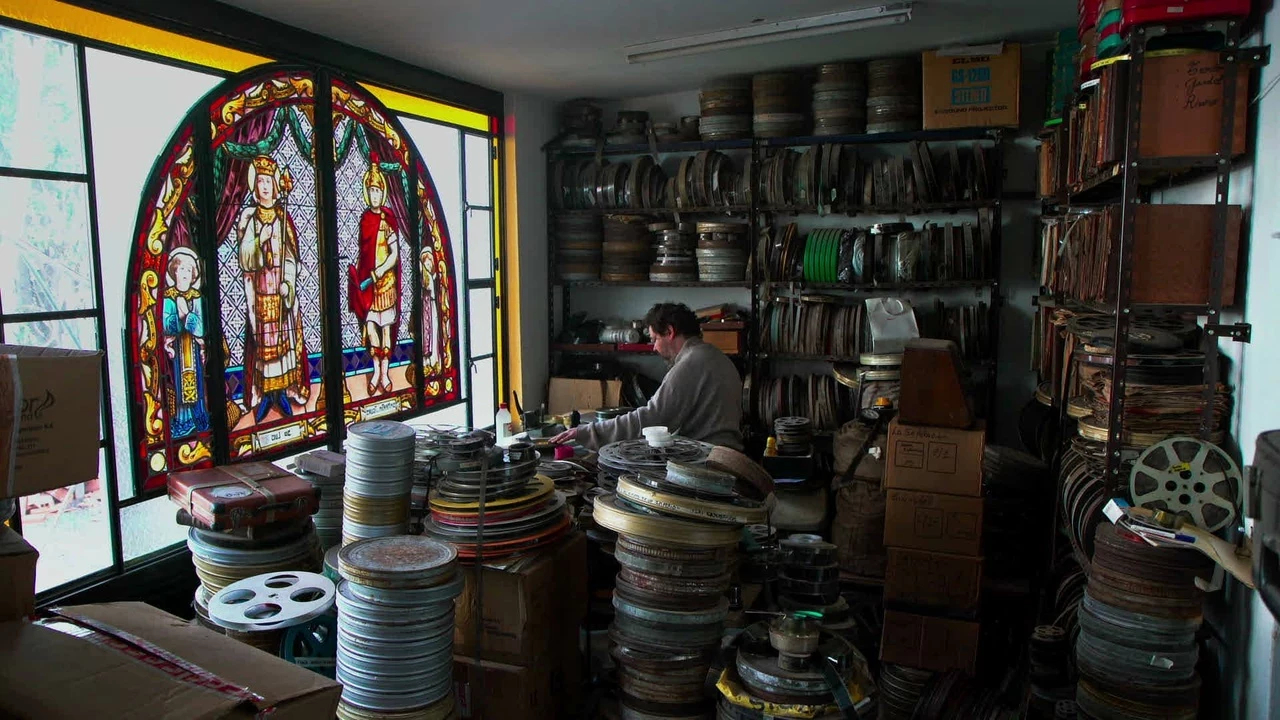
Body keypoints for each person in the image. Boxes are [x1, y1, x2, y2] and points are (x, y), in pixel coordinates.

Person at [551, 303, 743, 450]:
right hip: (724, 454)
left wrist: (588, 432)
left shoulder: (691, 363)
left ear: (669, 332)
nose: (654, 348)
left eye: (654, 339)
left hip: (708, 461)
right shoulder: (714, 355)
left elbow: (653, 418)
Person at [237, 154, 309, 423]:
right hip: (259, 295)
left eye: (269, 181)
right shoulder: (251, 218)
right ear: (255, 186)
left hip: (280, 294)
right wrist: (259, 239)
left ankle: (282, 391)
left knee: (282, 343)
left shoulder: (282, 218)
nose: (265, 186)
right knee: (264, 345)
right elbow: (245, 258)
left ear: (275, 185)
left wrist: (288, 283)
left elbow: (291, 257)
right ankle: (267, 393)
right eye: (261, 181)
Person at [347, 152, 402, 395]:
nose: (374, 195)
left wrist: (381, 270)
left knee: (386, 328)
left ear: (384, 193)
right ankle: (376, 369)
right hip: (368, 283)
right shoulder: (364, 220)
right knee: (371, 328)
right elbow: (364, 251)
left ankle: (385, 373)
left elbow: (395, 254)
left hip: (385, 282)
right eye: (371, 191)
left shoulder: (387, 220)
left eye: (378, 191)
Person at [162, 246, 210, 438]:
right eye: (181, 269)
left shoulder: (196, 297)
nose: (184, 273)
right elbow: (166, 324)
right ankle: (183, 421)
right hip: (177, 350)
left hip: (194, 348)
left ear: (193, 276)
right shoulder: (169, 297)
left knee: (197, 384)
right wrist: (178, 318)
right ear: (174, 271)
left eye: (189, 270)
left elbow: (201, 326)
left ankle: (199, 418)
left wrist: (186, 315)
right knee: (180, 385)